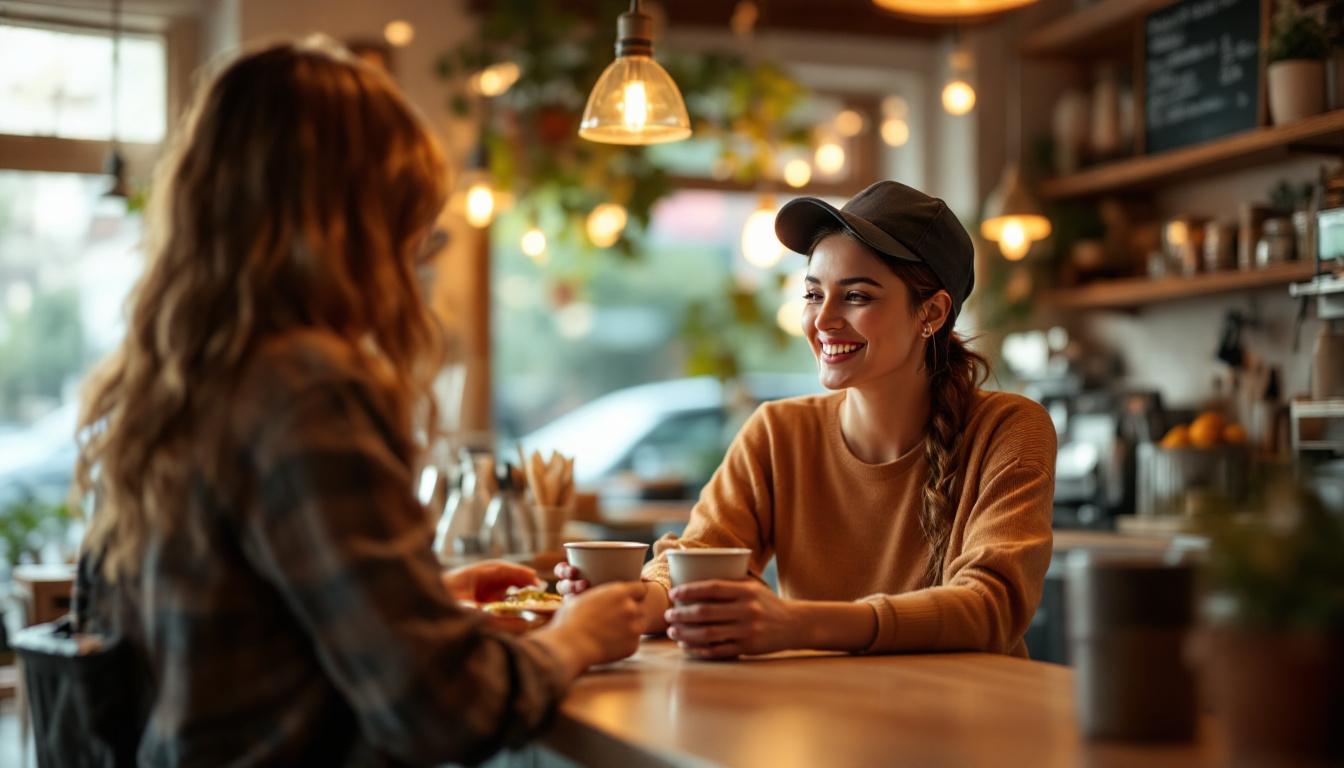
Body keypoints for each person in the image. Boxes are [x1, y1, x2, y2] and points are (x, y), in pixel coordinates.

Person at [71, 39, 644, 766]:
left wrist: (421, 600)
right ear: (351, 221)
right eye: (408, 228)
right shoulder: (309, 387)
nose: (413, 262)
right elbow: (444, 708)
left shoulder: (183, 378)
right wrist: (575, 639)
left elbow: (252, 626)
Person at [558, 181, 1055, 659]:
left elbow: (992, 606)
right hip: (822, 715)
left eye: (857, 296)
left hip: (974, 721)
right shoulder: (778, 432)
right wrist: (630, 599)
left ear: (932, 313)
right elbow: (696, 557)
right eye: (814, 294)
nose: (823, 320)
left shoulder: (1010, 429)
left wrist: (795, 623)